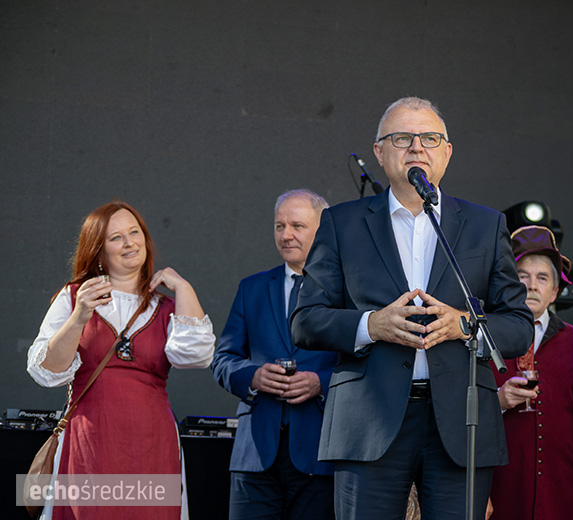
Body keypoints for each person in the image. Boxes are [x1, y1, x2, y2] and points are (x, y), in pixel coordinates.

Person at [290, 96, 534, 520]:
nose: (417, 147)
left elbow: (517, 326)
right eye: (402, 138)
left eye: (430, 138)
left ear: (447, 152)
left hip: (460, 422)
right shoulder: (342, 223)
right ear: (380, 153)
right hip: (369, 421)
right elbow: (305, 320)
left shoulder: (484, 225)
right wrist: (373, 325)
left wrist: (463, 325)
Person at [27, 201, 215, 519]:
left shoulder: (169, 304)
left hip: (153, 442)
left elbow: (197, 356)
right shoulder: (74, 297)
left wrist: (184, 287)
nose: (129, 242)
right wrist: (79, 317)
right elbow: (46, 372)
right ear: (98, 251)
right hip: (89, 440)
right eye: (116, 238)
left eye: (134, 232)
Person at [211, 189, 338, 520]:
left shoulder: (347, 293)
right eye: (279, 226)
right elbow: (223, 358)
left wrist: (320, 383)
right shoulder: (252, 288)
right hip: (254, 455)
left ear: (322, 230)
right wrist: (252, 376)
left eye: (297, 225)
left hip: (321, 454)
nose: (286, 235)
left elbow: (367, 363)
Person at [488, 225, 573, 520]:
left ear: (555, 290)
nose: (531, 285)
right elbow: (453, 420)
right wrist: (496, 401)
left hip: (568, 495)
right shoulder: (483, 341)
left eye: (542, 277)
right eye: (522, 276)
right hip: (499, 495)